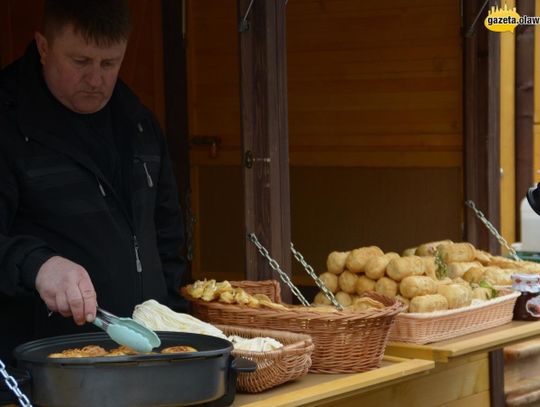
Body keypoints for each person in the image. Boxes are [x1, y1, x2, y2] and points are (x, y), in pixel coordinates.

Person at [0, 0, 188, 364]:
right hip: (40, 368)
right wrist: (38, 265)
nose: (96, 79)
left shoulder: (139, 124)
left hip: (143, 359)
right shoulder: (8, 124)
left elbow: (168, 240)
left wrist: (175, 324)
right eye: (80, 62)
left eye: (109, 63)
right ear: (43, 47)